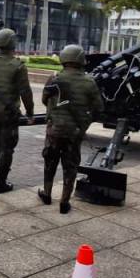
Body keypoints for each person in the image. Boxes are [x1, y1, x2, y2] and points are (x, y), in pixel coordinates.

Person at [38, 45, 103, 214]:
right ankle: (64, 202)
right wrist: (85, 122)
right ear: (81, 60)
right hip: (74, 132)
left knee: (50, 162)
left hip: (54, 130)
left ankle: (47, 193)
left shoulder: (54, 78)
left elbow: (45, 99)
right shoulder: (89, 82)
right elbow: (98, 108)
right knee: (70, 166)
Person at [0, 28, 34, 193]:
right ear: (13, 43)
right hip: (8, 114)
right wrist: (30, 112)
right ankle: (2, 182)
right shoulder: (18, 66)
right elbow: (25, 92)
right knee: (7, 148)